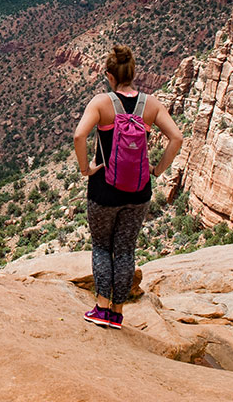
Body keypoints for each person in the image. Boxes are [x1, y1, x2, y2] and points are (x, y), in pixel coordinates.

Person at [73, 45, 183, 329]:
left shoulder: (101, 103)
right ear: (133, 73)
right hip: (139, 191)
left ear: (110, 76)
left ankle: (101, 308)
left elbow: (79, 135)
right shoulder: (152, 104)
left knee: (101, 247)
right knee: (124, 250)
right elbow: (177, 138)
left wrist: (86, 169)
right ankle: (117, 313)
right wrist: (157, 170)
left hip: (104, 190)